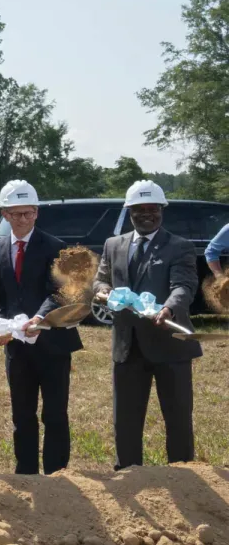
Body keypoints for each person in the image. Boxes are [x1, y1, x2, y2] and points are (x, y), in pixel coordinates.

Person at [93, 180, 201, 469]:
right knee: (125, 418)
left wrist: (169, 307)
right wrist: (102, 292)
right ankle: (127, 473)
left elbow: (185, 286)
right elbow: (101, 278)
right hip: (127, 346)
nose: (146, 214)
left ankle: (182, 474)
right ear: (129, 212)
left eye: (152, 209)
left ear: (161, 211)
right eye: (139, 209)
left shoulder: (180, 247)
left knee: (177, 417)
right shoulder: (113, 245)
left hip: (169, 346)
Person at [0, 180, 80, 475]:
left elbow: (60, 292)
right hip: (17, 347)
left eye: (27, 213)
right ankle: (25, 472)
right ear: (4, 214)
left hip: (53, 344)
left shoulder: (55, 248)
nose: (22, 219)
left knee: (54, 413)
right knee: (22, 413)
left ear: (36, 213)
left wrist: (39, 318)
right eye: (15, 214)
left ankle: (56, 472)